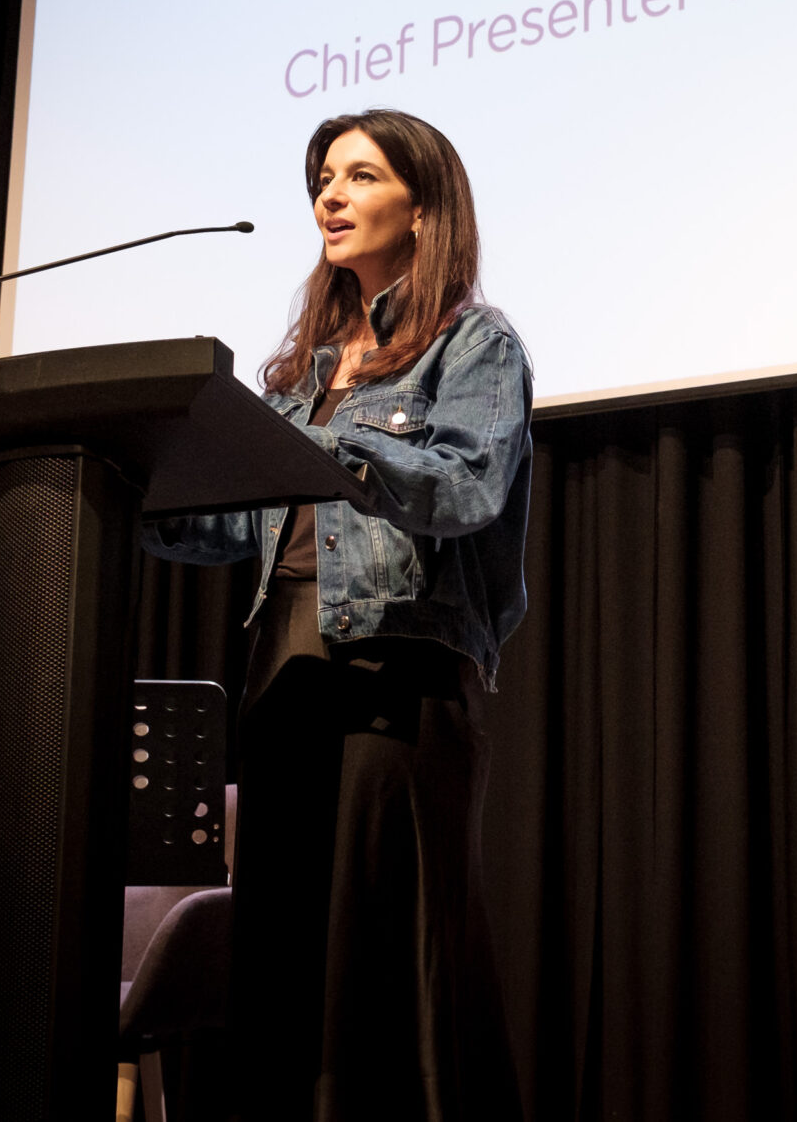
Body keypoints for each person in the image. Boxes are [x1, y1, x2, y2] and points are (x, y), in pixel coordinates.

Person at [140, 109, 530, 1122]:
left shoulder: (473, 346)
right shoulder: (305, 373)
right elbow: (237, 520)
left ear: (422, 204)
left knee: (390, 939)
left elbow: (467, 488)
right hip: (283, 667)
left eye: (359, 175)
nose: (329, 194)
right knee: (285, 940)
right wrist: (131, 485)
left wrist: (339, 452)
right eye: (323, 176)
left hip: (393, 673)